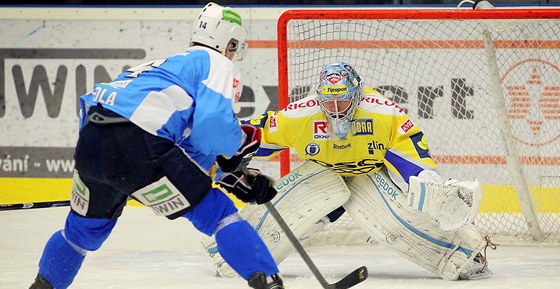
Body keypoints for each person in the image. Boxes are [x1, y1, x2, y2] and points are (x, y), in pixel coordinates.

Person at [29, 3, 284, 289]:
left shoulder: (158, 69)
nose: (233, 54)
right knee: (219, 214)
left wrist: (127, 179)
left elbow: (182, 153)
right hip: (138, 144)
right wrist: (233, 153)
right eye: (234, 47)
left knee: (82, 232)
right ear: (231, 42)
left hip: (91, 143)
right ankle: (270, 284)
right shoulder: (216, 62)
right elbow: (211, 129)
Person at [202, 61, 497, 281]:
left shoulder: (383, 113)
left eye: (342, 98)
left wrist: (430, 187)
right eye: (328, 100)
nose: (335, 107)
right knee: (301, 205)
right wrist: (227, 159)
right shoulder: (300, 115)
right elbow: (254, 135)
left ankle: (461, 253)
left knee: (392, 223)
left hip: (367, 177)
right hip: (322, 174)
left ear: (357, 94)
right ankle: (227, 251)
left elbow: (412, 155)